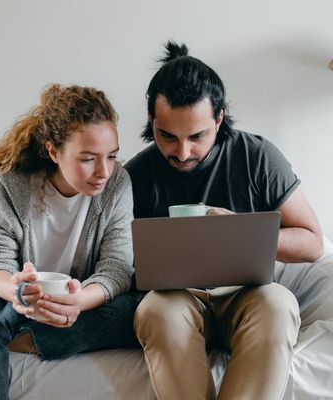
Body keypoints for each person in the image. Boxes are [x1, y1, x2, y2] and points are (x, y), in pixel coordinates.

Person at [125, 41, 324, 400]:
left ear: (219, 118)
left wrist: (240, 234)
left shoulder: (257, 157)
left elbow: (313, 242)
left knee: (279, 305)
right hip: (177, 298)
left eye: (197, 136)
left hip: (247, 294)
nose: (182, 152)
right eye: (167, 136)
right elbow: (116, 258)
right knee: (155, 310)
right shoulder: (137, 174)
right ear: (151, 122)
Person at [0, 83, 138, 400]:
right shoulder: (11, 181)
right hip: (18, 297)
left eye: (112, 156)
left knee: (133, 311)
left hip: (80, 302)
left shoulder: (118, 184)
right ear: (54, 152)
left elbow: (117, 267)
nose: (104, 171)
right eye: (87, 158)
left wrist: (78, 300)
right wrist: (17, 289)